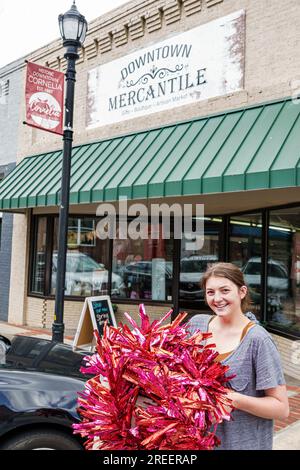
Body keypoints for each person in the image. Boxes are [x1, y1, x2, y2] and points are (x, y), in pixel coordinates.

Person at [187, 262, 289, 450]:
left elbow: (281, 408)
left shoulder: (257, 340)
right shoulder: (195, 326)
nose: (217, 298)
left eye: (225, 290)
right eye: (210, 292)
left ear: (242, 292)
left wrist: (234, 400)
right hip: (196, 444)